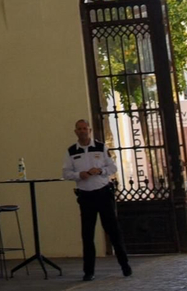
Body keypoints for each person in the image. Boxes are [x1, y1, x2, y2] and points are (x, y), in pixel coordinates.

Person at [60, 118, 131, 282]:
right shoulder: (71, 151)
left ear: (90, 131)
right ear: (75, 132)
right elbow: (65, 173)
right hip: (86, 196)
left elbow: (112, 167)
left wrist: (99, 170)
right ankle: (88, 271)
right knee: (87, 234)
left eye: (85, 128)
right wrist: (79, 175)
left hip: (103, 193)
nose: (83, 131)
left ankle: (125, 266)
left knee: (113, 231)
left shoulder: (100, 147)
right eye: (79, 129)